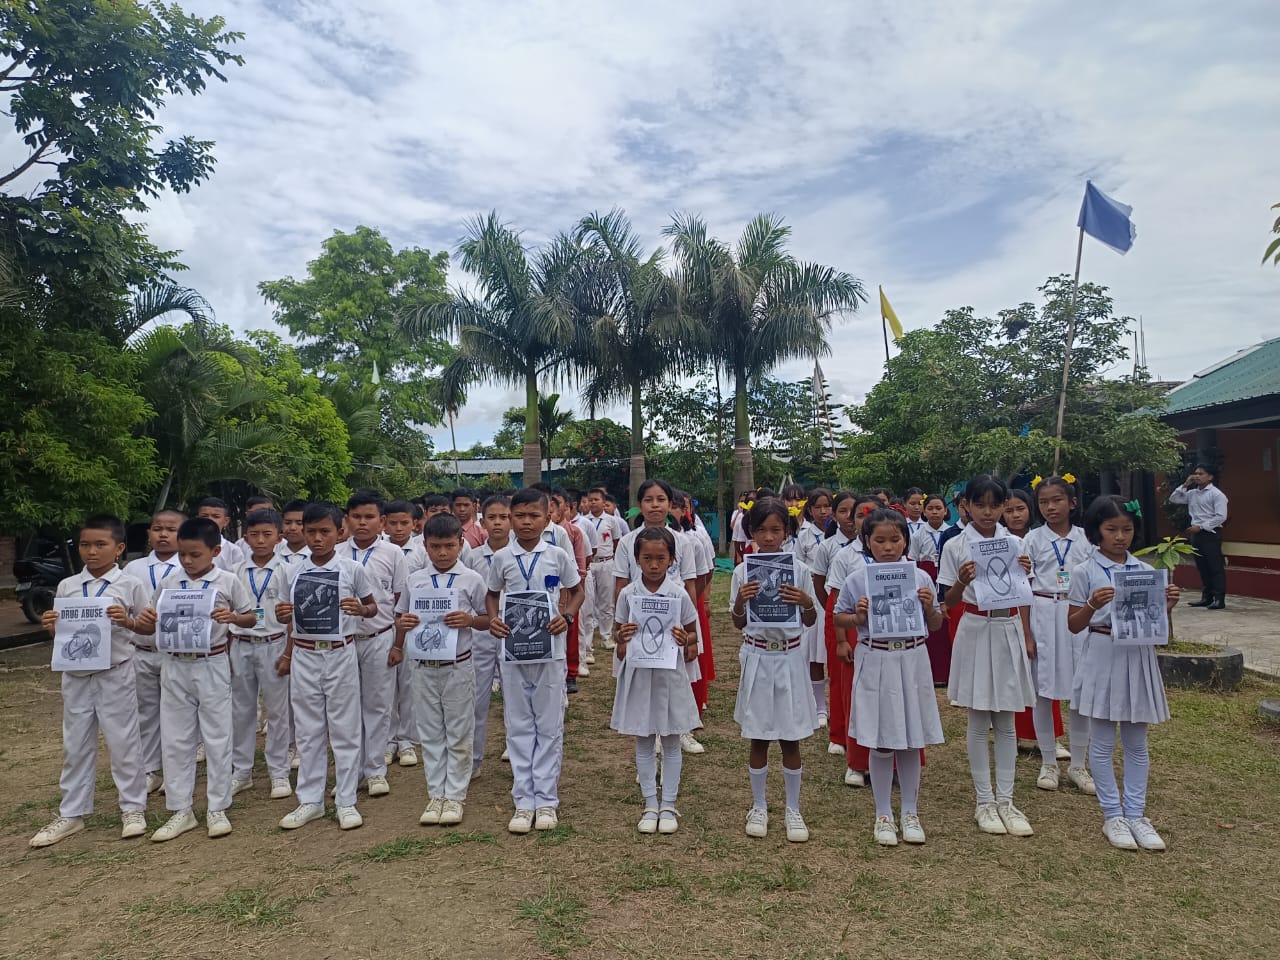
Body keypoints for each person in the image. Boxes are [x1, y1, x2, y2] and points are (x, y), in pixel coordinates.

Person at [29, 515, 150, 848]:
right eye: (85, 545)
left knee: (124, 741)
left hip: (115, 671)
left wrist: (127, 621)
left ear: (119, 548)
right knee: (76, 743)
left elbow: (147, 626)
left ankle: (133, 808)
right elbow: (63, 635)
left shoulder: (129, 584)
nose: (92, 552)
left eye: (100, 545)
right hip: (76, 675)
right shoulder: (68, 586)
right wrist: (52, 626)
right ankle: (72, 812)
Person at [1068, 496, 1179, 851]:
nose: (1119, 537)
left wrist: (1166, 606)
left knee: (1136, 741)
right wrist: (1092, 604)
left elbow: (1158, 628)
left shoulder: (1145, 571)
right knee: (1102, 741)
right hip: (1103, 651)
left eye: (1127, 529)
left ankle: (1136, 814)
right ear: (1096, 531)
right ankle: (1112, 814)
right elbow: (1073, 625)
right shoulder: (1085, 571)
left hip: (1138, 655)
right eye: (1111, 529)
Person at [136, 517, 256, 842]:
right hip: (174, 664)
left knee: (217, 735)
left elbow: (251, 617)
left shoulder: (228, 581)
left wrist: (232, 617)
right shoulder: (170, 582)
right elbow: (149, 624)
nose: (187, 561)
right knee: (176, 737)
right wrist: (144, 619)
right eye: (183, 554)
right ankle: (180, 809)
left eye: (195, 554)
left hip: (211, 662)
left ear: (215, 551)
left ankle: (217, 806)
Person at [833, 508, 945, 846]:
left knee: (911, 737)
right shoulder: (858, 579)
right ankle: (883, 814)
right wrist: (858, 617)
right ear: (867, 541)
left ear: (905, 541)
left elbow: (936, 624)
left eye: (895, 539)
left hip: (912, 658)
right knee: (880, 738)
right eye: (879, 540)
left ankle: (910, 811)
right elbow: (839, 617)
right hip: (876, 657)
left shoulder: (920, 578)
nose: (887, 547)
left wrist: (929, 607)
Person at [938, 475, 1036, 838]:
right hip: (976, 627)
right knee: (979, 718)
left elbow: (1023, 593)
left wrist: (1025, 574)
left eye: (995, 505)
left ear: (1004, 506)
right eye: (980, 504)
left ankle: (1006, 800)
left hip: (1007, 628)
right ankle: (984, 801)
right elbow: (947, 601)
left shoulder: (1016, 543)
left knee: (1007, 719)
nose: (987, 512)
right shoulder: (955, 545)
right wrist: (962, 581)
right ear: (966, 506)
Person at [274, 502, 378, 832]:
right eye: (311, 532)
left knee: (345, 728)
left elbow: (373, 607)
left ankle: (346, 799)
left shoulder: (351, 569)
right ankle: (310, 800)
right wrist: (282, 615)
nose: (317, 539)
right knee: (308, 729)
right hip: (305, 653)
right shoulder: (291, 570)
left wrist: (360, 610)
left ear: (339, 532)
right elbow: (283, 613)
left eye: (324, 532)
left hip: (340, 652)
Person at [485, 488, 583, 834]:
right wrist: (494, 619)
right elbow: (491, 594)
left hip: (550, 650)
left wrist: (567, 616)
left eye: (534, 516)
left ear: (548, 518)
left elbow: (577, 590)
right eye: (520, 516)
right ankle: (523, 800)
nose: (526, 522)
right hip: (513, 651)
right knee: (518, 724)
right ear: (511, 518)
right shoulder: (501, 558)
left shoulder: (557, 555)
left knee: (549, 724)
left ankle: (546, 801)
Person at [730, 497, 820, 842]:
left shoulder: (800, 571)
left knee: (790, 736)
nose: (768, 537)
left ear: (786, 532)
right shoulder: (742, 572)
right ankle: (759, 805)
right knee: (759, 735)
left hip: (790, 657)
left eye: (776, 530)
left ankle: (793, 808)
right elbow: (738, 623)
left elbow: (810, 619)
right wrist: (742, 600)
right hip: (758, 656)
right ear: (751, 532)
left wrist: (806, 602)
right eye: (761, 530)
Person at [392, 513, 489, 827]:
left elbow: (488, 619)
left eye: (449, 545)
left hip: (457, 665)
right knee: (431, 731)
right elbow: (401, 616)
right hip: (423, 665)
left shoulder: (472, 579)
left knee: (459, 730)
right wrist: (404, 625)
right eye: (436, 546)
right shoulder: (415, 580)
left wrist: (469, 620)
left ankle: (456, 795)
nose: (443, 553)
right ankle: (436, 794)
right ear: (425, 545)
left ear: (461, 543)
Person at [611, 527, 701, 835]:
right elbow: (618, 636)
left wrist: (684, 638)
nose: (653, 565)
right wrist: (621, 637)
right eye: (647, 558)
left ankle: (669, 804)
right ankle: (650, 803)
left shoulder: (678, 594)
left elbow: (693, 635)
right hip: (639, 675)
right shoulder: (628, 594)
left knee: (672, 740)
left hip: (669, 675)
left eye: (660, 558)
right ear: (636, 559)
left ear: (672, 559)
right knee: (644, 739)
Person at [1024, 476, 1095, 795]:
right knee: (1044, 690)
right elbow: (1023, 587)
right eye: (1043, 502)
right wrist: (1027, 633)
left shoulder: (1087, 539)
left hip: (1078, 613)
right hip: (1043, 612)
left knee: (1081, 690)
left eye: (1057, 500)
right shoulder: (1031, 540)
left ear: (1072, 502)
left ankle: (1078, 764)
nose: (1050, 507)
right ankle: (1049, 762)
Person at [343, 491, 410, 788]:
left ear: (381, 521)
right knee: (348, 708)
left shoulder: (393, 553)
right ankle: (351, 771)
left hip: (380, 636)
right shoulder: (337, 553)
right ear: (346, 520)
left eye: (369, 517)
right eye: (356, 517)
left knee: (378, 705)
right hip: (344, 640)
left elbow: (401, 601)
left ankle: (375, 770)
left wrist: (398, 644)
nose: (362, 522)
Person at [228, 509, 294, 802]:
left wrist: (288, 653)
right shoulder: (235, 572)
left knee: (278, 711)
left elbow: (292, 617)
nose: (261, 540)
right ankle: (241, 772)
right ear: (245, 538)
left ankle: (278, 771)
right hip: (241, 643)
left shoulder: (288, 570)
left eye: (267, 534)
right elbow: (227, 610)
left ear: (279, 537)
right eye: (254, 535)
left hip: (274, 643)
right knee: (241, 711)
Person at [123, 508, 186, 794]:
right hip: (141, 650)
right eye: (157, 528)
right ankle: (150, 770)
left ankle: (177, 772)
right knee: (145, 714)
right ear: (149, 533)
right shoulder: (133, 568)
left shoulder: (188, 566)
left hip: (175, 653)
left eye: (171, 530)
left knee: (176, 714)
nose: (163, 534)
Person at [827, 496, 881, 786]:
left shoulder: (899, 559)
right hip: (856, 633)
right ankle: (857, 762)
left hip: (891, 640)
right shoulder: (846, 557)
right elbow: (836, 603)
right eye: (860, 516)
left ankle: (891, 760)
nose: (866, 520)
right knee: (856, 695)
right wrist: (841, 641)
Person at [465, 494, 512, 774]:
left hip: (513, 630)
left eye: (503, 517)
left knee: (515, 696)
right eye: (492, 517)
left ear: (512, 520)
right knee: (476, 698)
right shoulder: (472, 556)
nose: (497, 523)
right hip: (481, 629)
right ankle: (473, 760)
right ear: (482, 522)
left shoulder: (520, 554)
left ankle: (516, 752)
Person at [810, 492, 858, 759]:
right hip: (837, 613)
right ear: (835, 516)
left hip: (867, 617)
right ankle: (838, 734)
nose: (850, 518)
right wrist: (833, 610)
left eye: (856, 513)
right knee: (839, 674)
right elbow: (819, 583)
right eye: (843, 511)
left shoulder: (876, 546)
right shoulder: (829, 547)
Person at [1168, 464, 1229, 609]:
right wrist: (1185, 484)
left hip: (1210, 534)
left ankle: (1219, 599)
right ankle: (1207, 597)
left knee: (1215, 567)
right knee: (1202, 566)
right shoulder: (1192, 493)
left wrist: (1201, 526)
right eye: (1195, 473)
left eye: (1201, 474)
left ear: (1210, 477)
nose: (1197, 476)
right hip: (1196, 534)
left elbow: (1221, 516)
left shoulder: (1216, 494)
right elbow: (1174, 499)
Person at [795, 489, 833, 725]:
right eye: (817, 507)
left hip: (835, 593)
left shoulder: (838, 533)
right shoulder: (805, 535)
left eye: (827, 506)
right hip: (814, 596)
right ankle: (819, 705)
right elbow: (798, 564)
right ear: (809, 510)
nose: (823, 511)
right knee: (815, 653)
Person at [582, 486, 627, 652]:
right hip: (588, 564)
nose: (593, 503)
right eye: (590, 500)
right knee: (588, 603)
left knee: (606, 601)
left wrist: (612, 559)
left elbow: (616, 541)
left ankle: (606, 636)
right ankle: (587, 641)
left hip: (606, 563)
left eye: (596, 500)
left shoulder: (611, 521)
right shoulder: (583, 521)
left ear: (603, 502)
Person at [196, 497, 243, 573]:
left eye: (216, 516)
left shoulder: (233, 551)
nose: (209, 520)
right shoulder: (184, 546)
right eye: (204, 516)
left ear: (226, 521)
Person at [276, 500, 312, 565]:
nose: (292, 528)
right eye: (287, 523)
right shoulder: (273, 552)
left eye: (299, 523)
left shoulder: (316, 555)